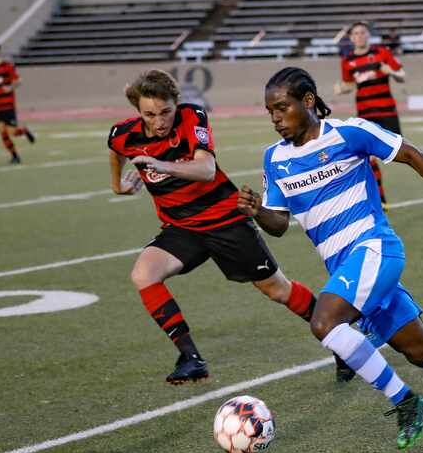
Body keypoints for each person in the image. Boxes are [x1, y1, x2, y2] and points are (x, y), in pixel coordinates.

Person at [238, 67, 423, 450]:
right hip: (346, 268)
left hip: (375, 249)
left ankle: (406, 402)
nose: (276, 118)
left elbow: (410, 154)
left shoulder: (349, 133)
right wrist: (258, 211)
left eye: (282, 108)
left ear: (308, 101)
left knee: (324, 322)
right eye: (270, 111)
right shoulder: (274, 159)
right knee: (421, 351)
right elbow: (278, 224)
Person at [107, 69, 323, 385]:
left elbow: (206, 169)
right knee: (143, 274)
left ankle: (338, 338)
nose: (159, 121)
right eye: (150, 115)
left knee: (277, 290)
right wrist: (117, 185)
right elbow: (116, 148)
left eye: (165, 111)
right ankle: (192, 358)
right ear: (138, 112)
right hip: (181, 227)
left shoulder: (192, 116)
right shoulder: (124, 134)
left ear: (176, 104)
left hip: (225, 220)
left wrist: (160, 164)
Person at [334, 21, 405, 210]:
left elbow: (401, 75)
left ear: (368, 35)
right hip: (365, 114)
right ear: (351, 38)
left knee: (403, 151)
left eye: (362, 32)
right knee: (370, 157)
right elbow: (349, 85)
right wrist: (341, 89)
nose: (359, 36)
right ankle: (381, 201)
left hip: (387, 110)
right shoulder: (347, 61)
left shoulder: (381, 52)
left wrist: (390, 71)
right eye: (355, 33)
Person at [0, 42, 35, 164]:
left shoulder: (7, 66)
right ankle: (15, 156)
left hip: (7, 104)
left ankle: (24, 130)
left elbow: (18, 80)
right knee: (2, 132)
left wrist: (10, 88)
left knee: (13, 132)